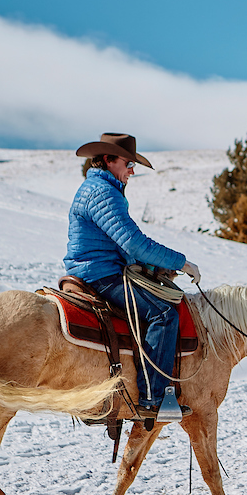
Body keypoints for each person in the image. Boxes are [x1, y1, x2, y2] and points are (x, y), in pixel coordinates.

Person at [64, 132, 201, 419]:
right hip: (101, 275)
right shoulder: (102, 193)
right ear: (108, 160)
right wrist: (182, 262)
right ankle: (153, 401)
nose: (132, 170)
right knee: (163, 314)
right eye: (127, 163)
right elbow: (134, 242)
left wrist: (154, 266)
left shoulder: (100, 189)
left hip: (100, 269)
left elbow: (124, 244)